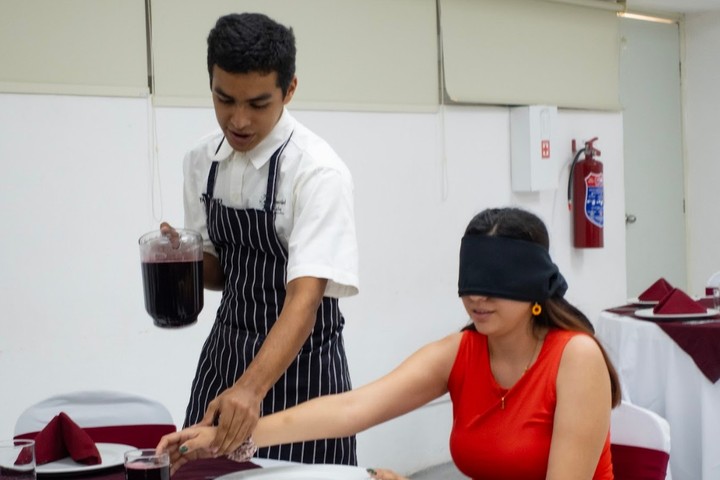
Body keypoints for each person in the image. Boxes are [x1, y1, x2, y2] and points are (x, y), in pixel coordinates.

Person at [157, 207, 622, 479]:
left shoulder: (575, 357)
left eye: (496, 283)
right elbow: (352, 409)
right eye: (469, 282)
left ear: (534, 285)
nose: (476, 297)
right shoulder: (461, 352)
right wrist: (227, 437)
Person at [160, 12, 359, 465]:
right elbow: (221, 271)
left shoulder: (317, 171)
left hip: (305, 369)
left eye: (258, 103)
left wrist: (251, 389)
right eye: (224, 99)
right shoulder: (201, 161)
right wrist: (184, 257)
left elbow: (304, 301)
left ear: (289, 91)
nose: (239, 119)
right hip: (225, 356)